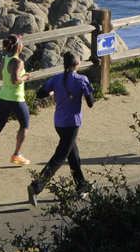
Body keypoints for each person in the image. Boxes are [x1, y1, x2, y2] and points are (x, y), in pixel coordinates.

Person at [27, 50, 95, 206]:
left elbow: (40, 93)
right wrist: (87, 92)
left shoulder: (57, 78)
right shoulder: (82, 80)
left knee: (73, 155)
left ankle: (81, 185)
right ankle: (36, 186)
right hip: (72, 124)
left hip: (59, 123)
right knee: (59, 158)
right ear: (77, 64)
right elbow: (91, 103)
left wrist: (53, 92)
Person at [0, 33, 32, 171]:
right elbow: (15, 80)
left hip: (2, 97)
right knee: (25, 125)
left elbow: (0, 76)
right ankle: (17, 154)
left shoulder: (5, 59)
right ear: (19, 46)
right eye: (22, 44)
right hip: (16, 99)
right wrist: (26, 77)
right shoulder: (18, 62)